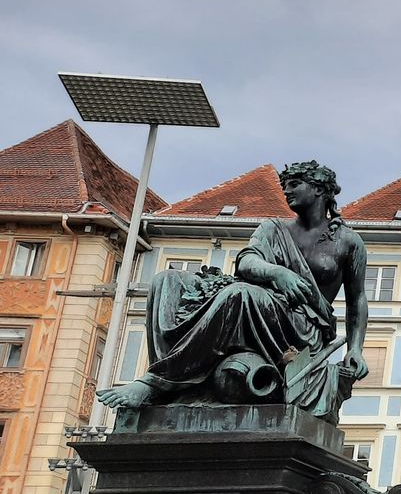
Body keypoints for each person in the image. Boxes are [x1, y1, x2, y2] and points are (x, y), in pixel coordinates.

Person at [99, 160, 368, 420]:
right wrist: (278, 272)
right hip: (265, 309)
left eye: (295, 184)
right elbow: (247, 261)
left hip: (302, 327)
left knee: (240, 294)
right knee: (166, 281)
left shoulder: (348, 242)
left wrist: (354, 349)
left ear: (319, 189)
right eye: (284, 185)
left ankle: (155, 383)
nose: (286, 191)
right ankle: (173, 384)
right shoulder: (273, 229)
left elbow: (356, 300)